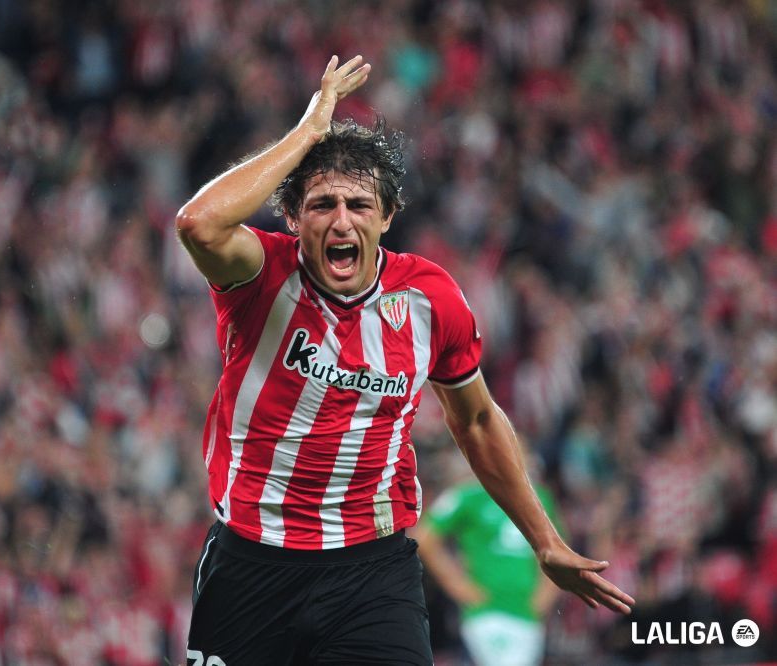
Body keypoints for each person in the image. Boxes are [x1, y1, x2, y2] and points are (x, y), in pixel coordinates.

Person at [175, 55, 634, 665]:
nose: (342, 219)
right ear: (292, 217)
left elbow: (474, 421)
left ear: (387, 218)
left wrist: (544, 542)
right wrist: (309, 132)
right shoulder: (259, 273)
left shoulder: (431, 298)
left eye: (359, 206)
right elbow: (199, 224)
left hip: (370, 571)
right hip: (252, 562)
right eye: (321, 204)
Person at [415, 463, 562, 666]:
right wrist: (457, 586)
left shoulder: (539, 498)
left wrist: (544, 597)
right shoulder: (467, 495)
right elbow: (424, 537)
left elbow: (559, 551)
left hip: (526, 615)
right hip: (486, 612)